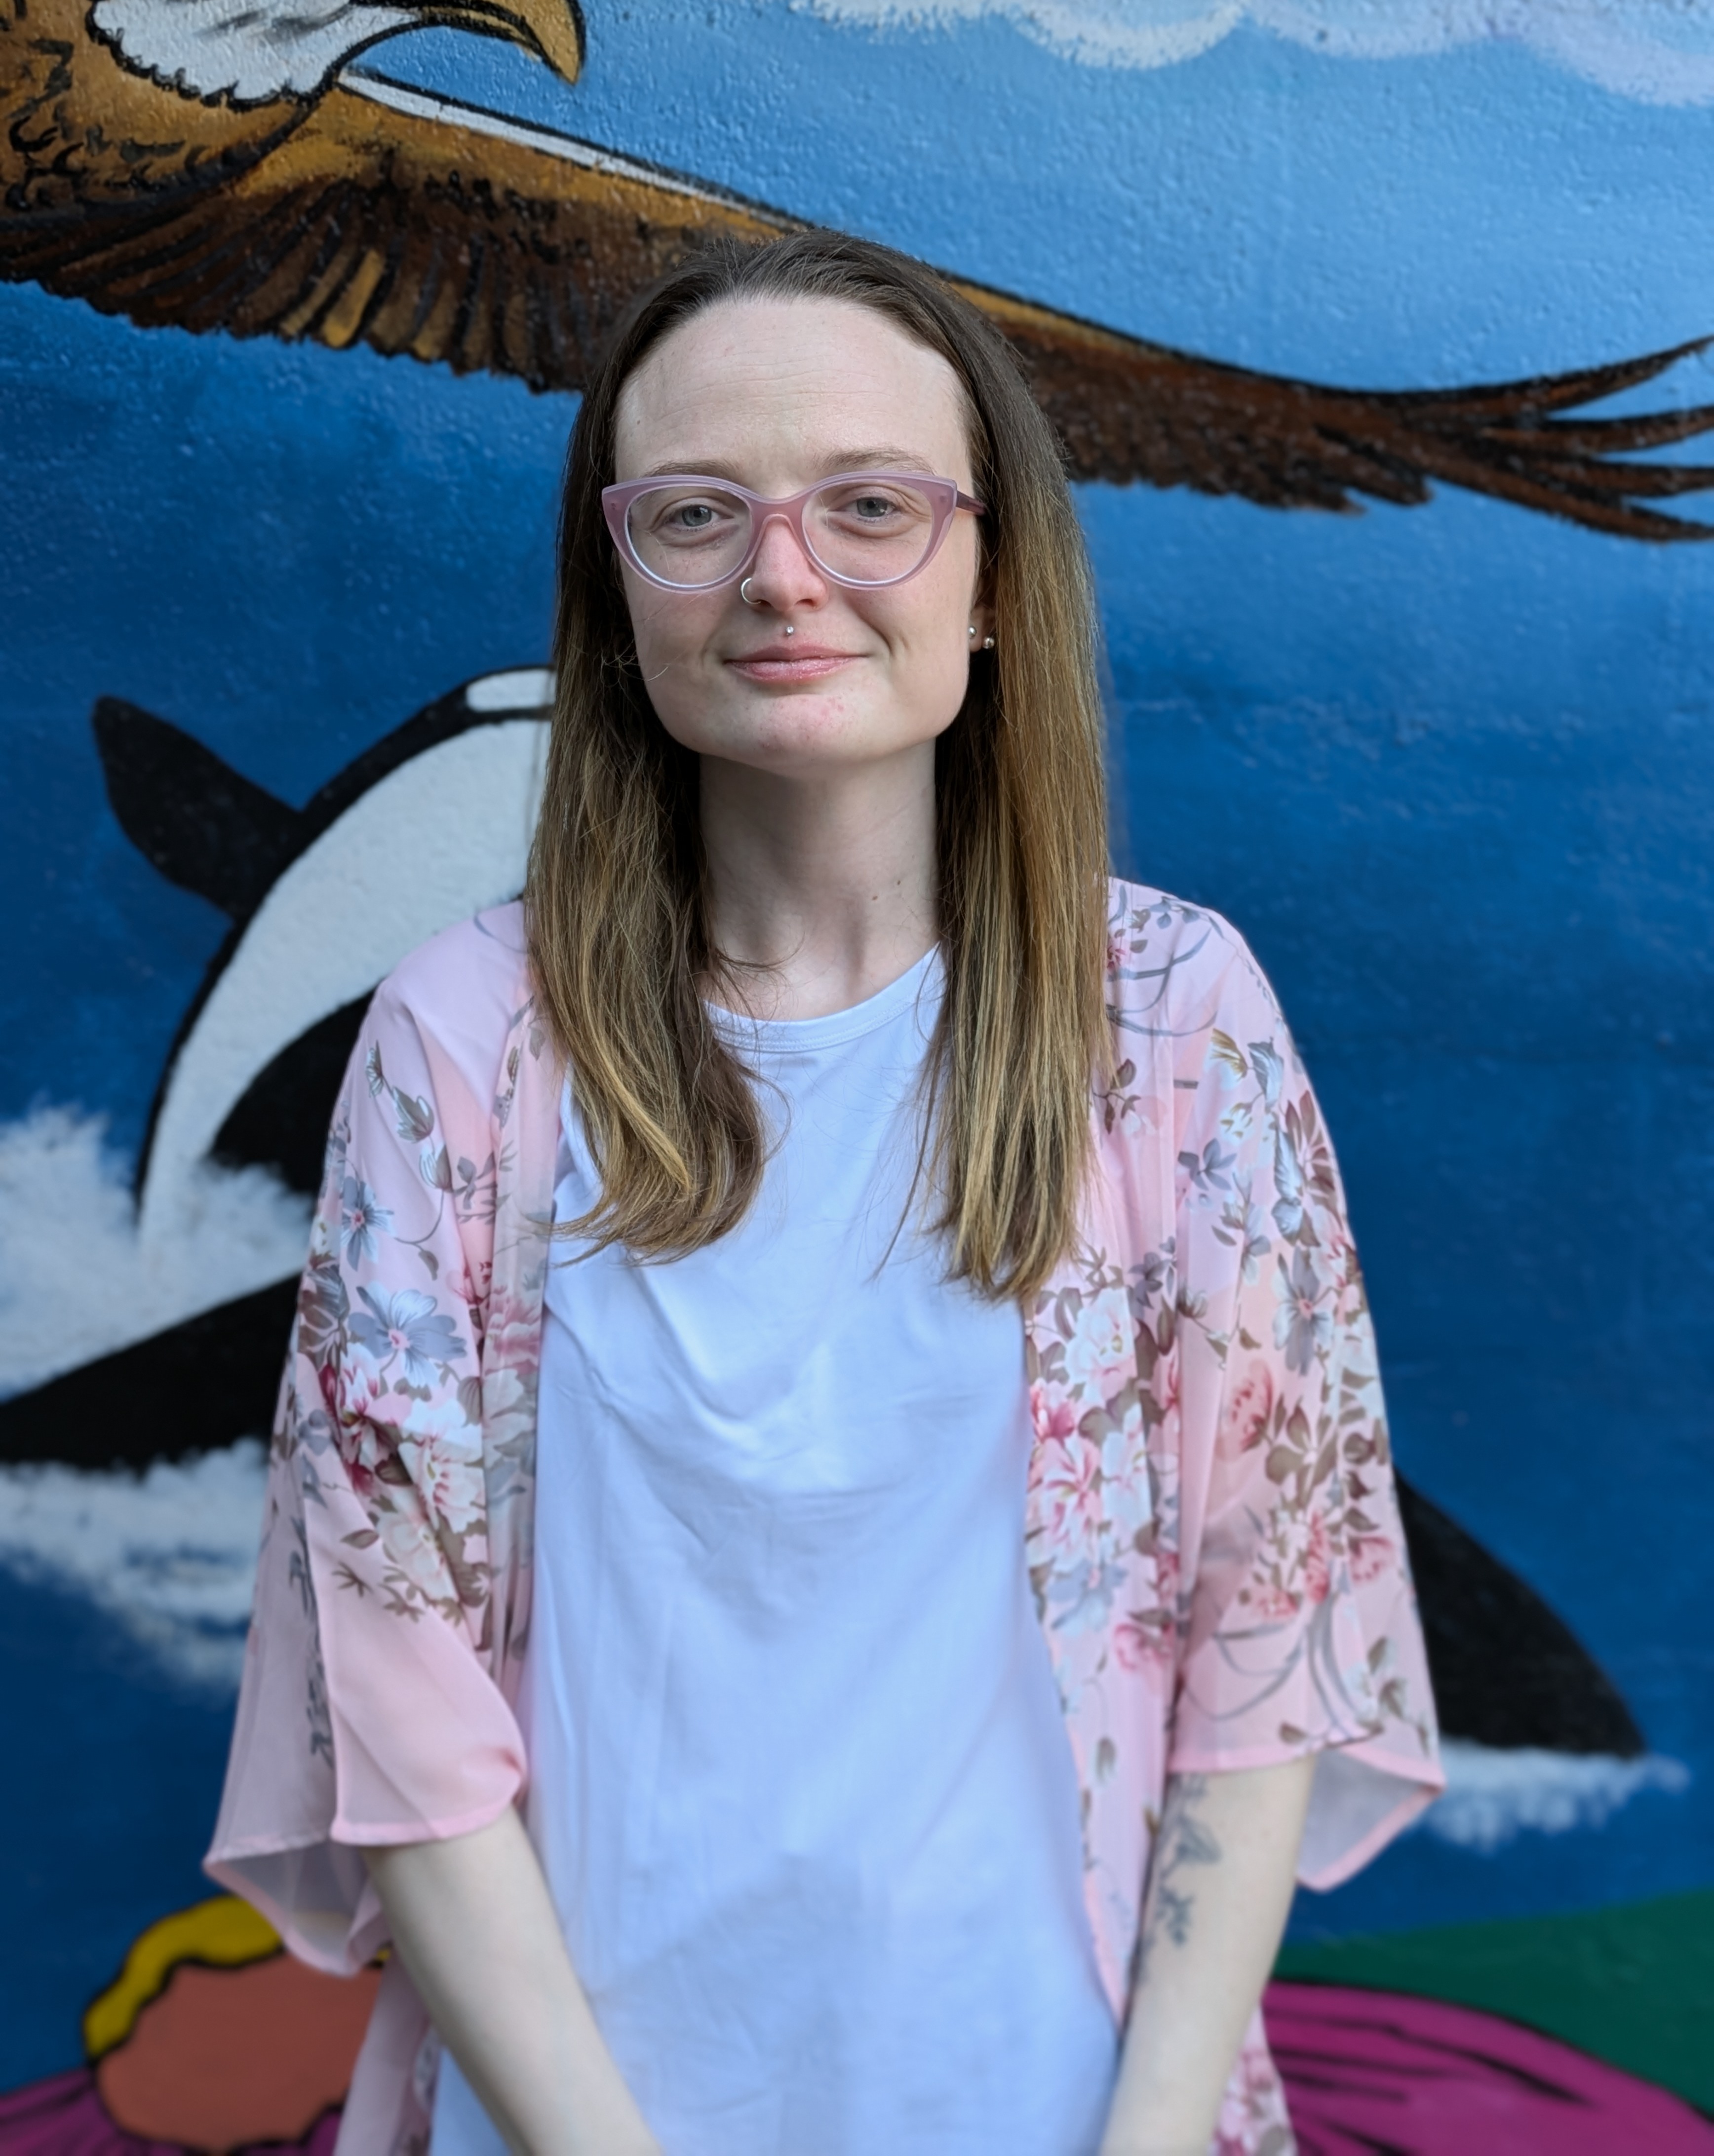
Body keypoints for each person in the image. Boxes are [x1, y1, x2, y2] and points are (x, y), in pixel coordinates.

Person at [207, 229, 1442, 2156]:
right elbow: (400, 1700)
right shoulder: (465, 1037)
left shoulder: (1177, 1018)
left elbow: (1264, 1636)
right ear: (615, 589)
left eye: (869, 505)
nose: (783, 575)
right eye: (698, 511)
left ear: (992, 577)